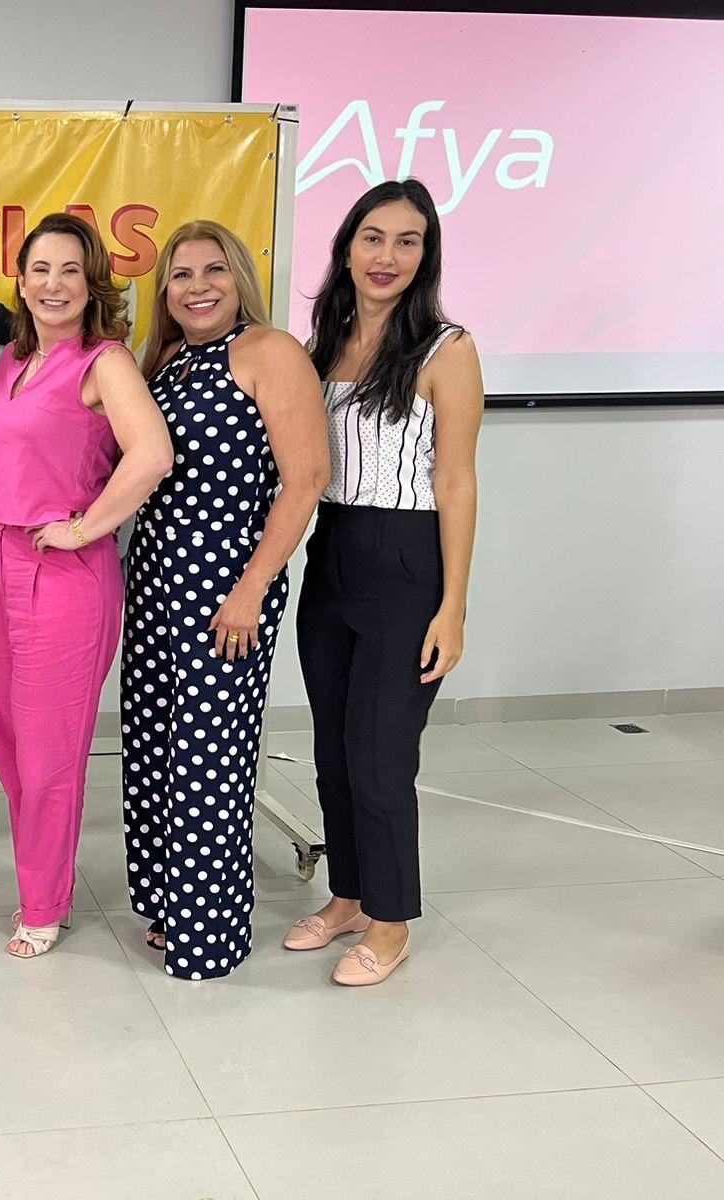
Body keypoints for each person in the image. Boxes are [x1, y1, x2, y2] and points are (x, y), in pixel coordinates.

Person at [286, 179, 484, 986]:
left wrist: (453, 607)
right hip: (331, 551)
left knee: (379, 754)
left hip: (406, 563)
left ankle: (392, 920)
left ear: (425, 256)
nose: (387, 256)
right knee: (333, 748)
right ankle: (349, 896)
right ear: (346, 248)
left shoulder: (447, 350)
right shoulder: (321, 346)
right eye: (373, 237)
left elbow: (457, 482)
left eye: (408, 241)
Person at [122, 221, 329, 980]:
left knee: (210, 763)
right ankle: (170, 906)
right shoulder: (167, 360)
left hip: (227, 590)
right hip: (154, 582)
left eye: (214, 270)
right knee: (155, 750)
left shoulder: (270, 351)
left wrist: (252, 588)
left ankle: (207, 937)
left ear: (241, 277)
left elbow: (306, 478)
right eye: (181, 275)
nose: (198, 286)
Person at [0, 213, 174, 958]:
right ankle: (39, 882)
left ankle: (43, 902)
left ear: (92, 285)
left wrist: (85, 529)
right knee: (11, 742)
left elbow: (152, 454)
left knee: (49, 752)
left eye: (70, 270)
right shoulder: (15, 362)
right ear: (21, 282)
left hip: (62, 573)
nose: (53, 284)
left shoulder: (102, 361)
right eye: (40, 269)